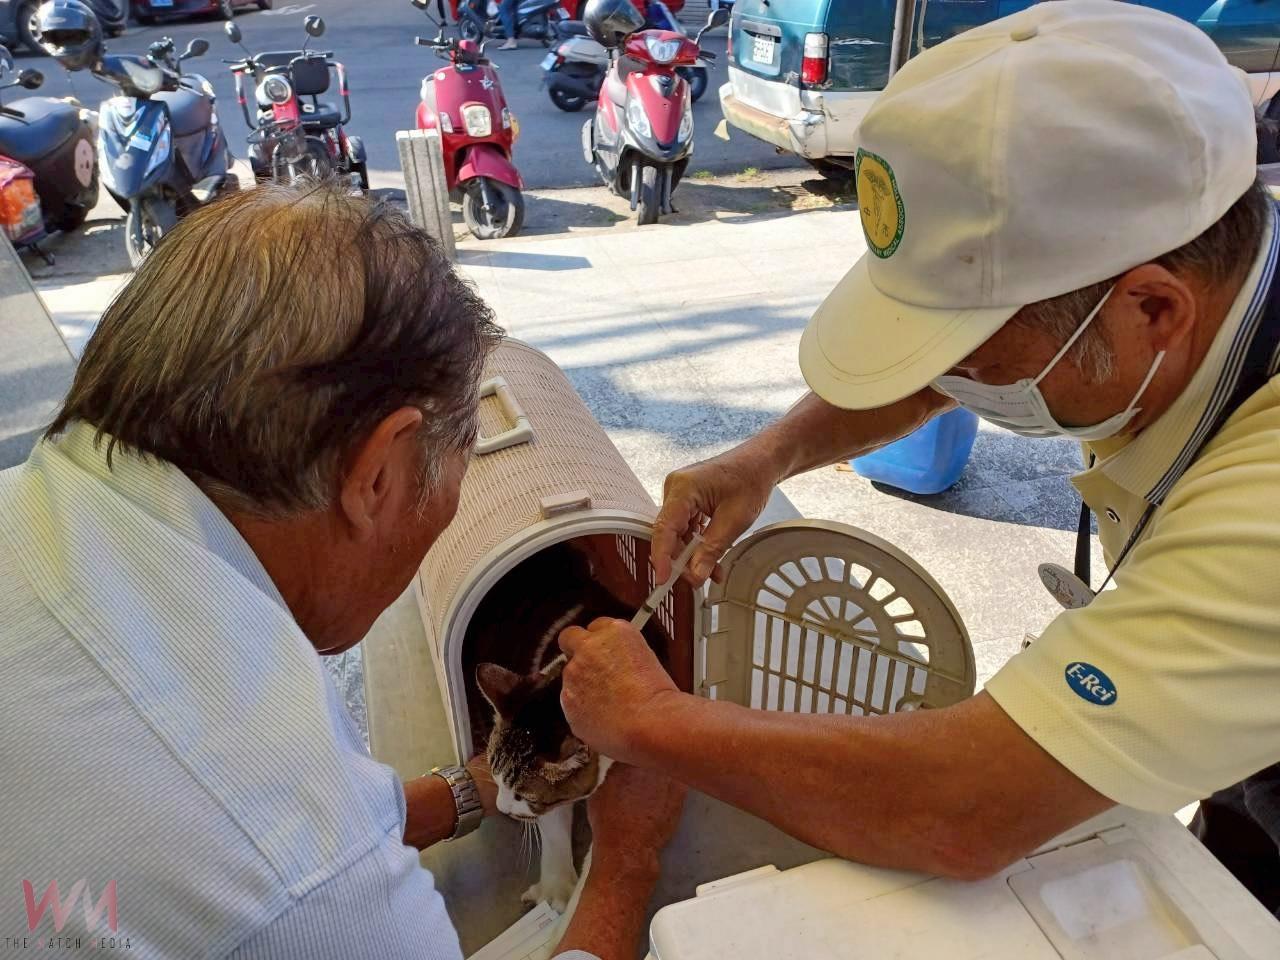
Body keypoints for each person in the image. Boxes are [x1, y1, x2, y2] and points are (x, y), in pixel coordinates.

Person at [557, 0, 1280, 915]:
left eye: (969, 355)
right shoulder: (1186, 290)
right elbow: (984, 350)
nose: (949, 381)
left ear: (1153, 310)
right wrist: (768, 458)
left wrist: (650, 722)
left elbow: (964, 810)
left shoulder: (1265, 516)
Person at [0, 182, 684, 958]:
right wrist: (628, 858)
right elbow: (297, 864)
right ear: (378, 475)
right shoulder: (293, 868)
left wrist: (463, 794)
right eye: (458, 478)